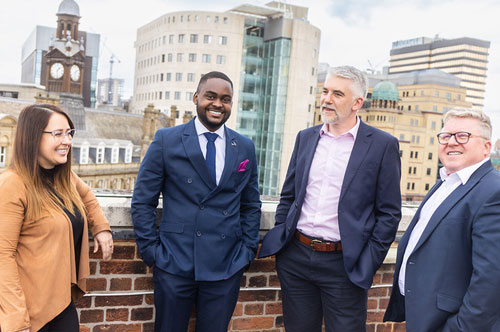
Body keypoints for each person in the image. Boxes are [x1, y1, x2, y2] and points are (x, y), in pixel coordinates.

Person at [259, 65, 402, 332]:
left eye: (337, 94)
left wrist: (366, 263)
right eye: (325, 91)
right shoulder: (306, 137)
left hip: (345, 265)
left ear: (357, 102)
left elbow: (389, 213)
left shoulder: (382, 145)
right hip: (297, 259)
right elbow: (289, 195)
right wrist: (283, 231)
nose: (327, 99)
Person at [131, 71, 261, 332]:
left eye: (225, 99)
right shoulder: (167, 140)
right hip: (174, 263)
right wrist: (152, 253)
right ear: (196, 98)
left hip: (226, 266)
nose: (217, 104)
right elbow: (143, 201)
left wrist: (246, 252)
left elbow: (251, 204)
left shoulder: (244, 146)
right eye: (210, 96)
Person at [384, 108, 500, 331]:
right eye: (446, 136)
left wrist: (457, 328)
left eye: (463, 136)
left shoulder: (493, 191)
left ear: (486, 147)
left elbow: (491, 280)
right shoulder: (446, 182)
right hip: (425, 316)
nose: (452, 142)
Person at [0, 104, 113, 332]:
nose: (67, 141)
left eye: (69, 133)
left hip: (62, 304)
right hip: (29, 313)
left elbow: (88, 196)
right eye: (58, 134)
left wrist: (101, 227)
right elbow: (3, 256)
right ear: (33, 137)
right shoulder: (13, 184)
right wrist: (16, 319)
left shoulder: (63, 176)